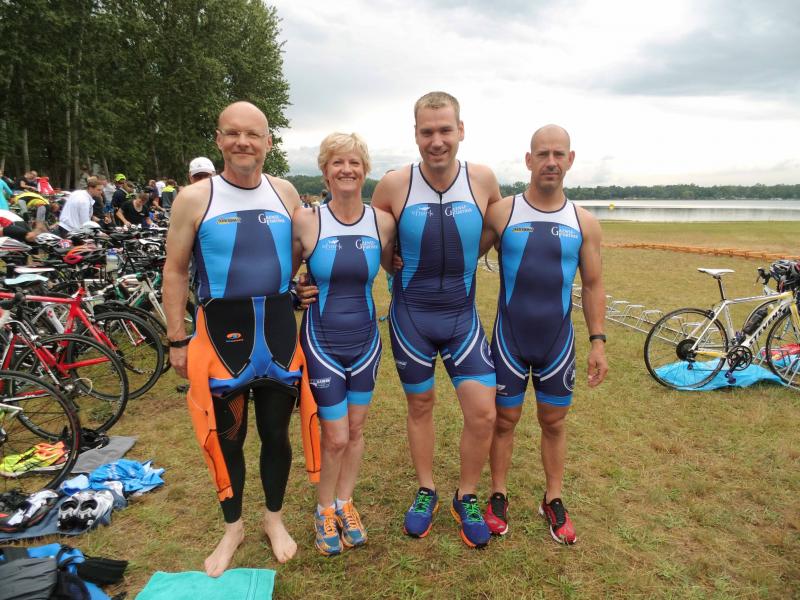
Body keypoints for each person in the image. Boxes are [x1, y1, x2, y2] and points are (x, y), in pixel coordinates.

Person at [163, 101, 303, 576]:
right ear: (219, 139)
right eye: (233, 133)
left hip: (279, 337)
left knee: (277, 435)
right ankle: (233, 527)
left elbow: (300, 252)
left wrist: (302, 285)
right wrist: (177, 338)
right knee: (228, 439)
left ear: (268, 142)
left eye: (253, 134)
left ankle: (274, 519)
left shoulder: (285, 192)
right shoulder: (194, 198)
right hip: (223, 341)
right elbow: (175, 270)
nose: (243, 142)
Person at [371, 91, 501, 548]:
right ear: (416, 135)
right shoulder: (393, 184)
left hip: (462, 318)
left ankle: (466, 495)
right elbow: (378, 243)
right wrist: (391, 266)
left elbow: (491, 231)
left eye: (445, 129)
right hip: (412, 320)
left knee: (483, 413)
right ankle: (426, 489)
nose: (437, 140)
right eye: (427, 132)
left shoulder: (482, 179)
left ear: (460, 130)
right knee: (420, 406)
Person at [480, 125, 608, 544]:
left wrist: (598, 341)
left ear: (570, 159)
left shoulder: (584, 222)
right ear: (528, 160)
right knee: (504, 420)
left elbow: (593, 285)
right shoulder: (502, 213)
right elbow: (460, 259)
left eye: (558, 154)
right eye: (542, 154)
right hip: (509, 341)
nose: (550, 161)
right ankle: (498, 494)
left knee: (554, 422)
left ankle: (553, 498)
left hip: (557, 343)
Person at [292, 133, 395, 556]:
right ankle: (323, 510)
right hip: (322, 343)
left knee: (355, 431)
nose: (346, 169)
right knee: (334, 436)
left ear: (365, 170)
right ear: (325, 171)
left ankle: (345, 503)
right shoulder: (306, 220)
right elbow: (284, 277)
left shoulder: (383, 222)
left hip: (367, 343)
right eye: (337, 162)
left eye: (354, 162)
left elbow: (399, 264)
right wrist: (296, 291)